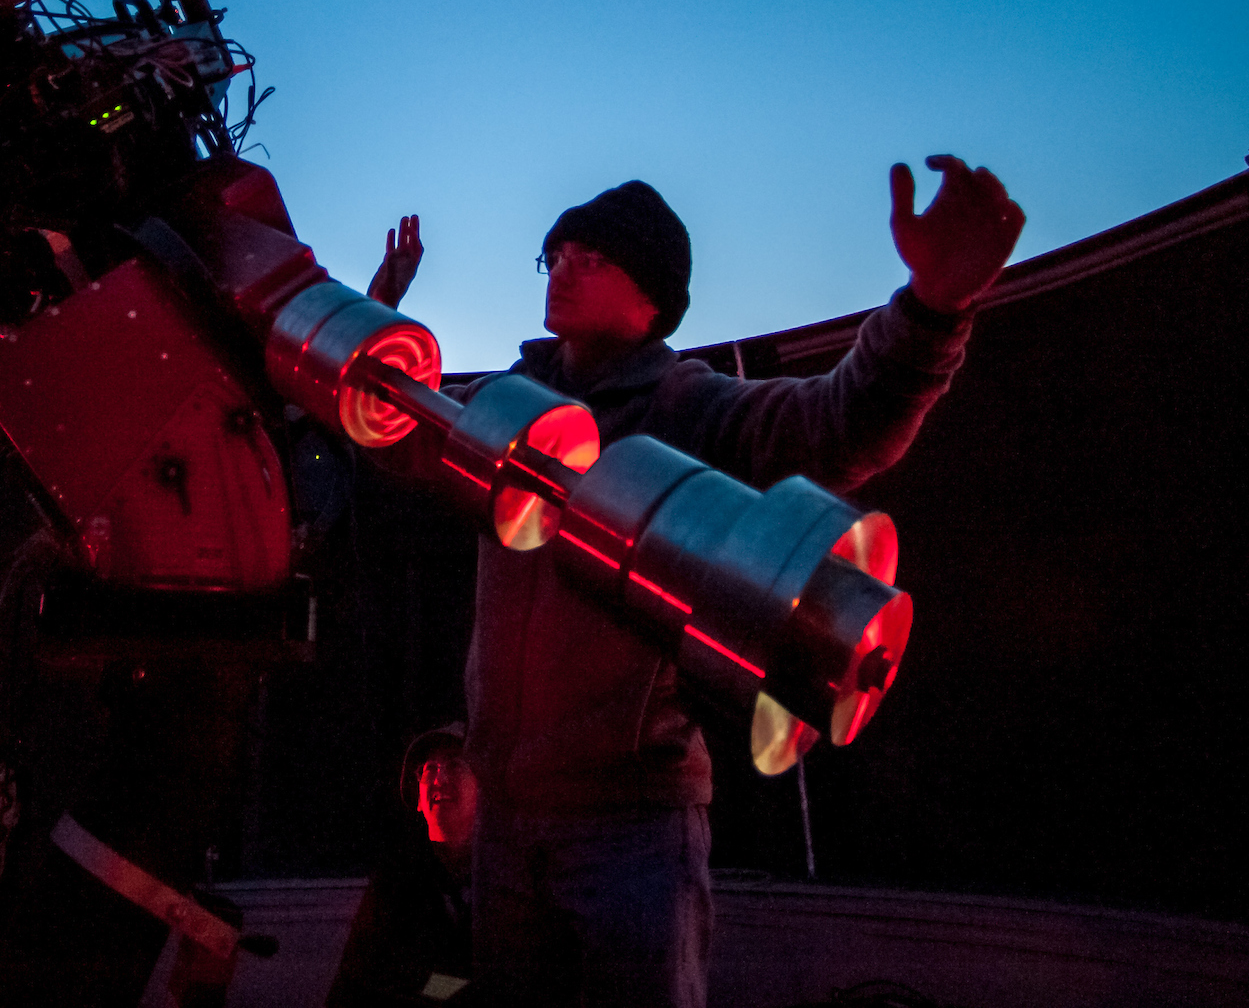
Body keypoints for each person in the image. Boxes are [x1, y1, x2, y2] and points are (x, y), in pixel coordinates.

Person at [364, 159, 1022, 1008]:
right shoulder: (509, 401)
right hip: (507, 826)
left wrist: (933, 308)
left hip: (629, 832)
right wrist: (377, 324)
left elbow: (839, 423)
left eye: (590, 254)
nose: (561, 263)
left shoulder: (691, 408)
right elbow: (401, 435)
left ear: (652, 295)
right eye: (555, 250)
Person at [326, 724, 480, 1006]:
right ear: (418, 799)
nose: (439, 779)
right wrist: (464, 990)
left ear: (484, 786)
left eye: (456, 764)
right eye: (429, 769)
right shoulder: (394, 884)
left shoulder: (509, 878)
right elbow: (365, 979)